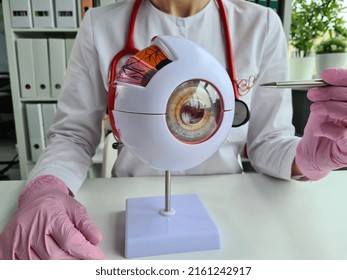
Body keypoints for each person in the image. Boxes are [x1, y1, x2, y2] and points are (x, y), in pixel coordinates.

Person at [0, 0, 346, 260]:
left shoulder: (261, 24)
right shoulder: (101, 25)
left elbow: (268, 142)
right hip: (128, 206)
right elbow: (73, 134)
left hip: (234, 211)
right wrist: (45, 189)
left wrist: (309, 159)